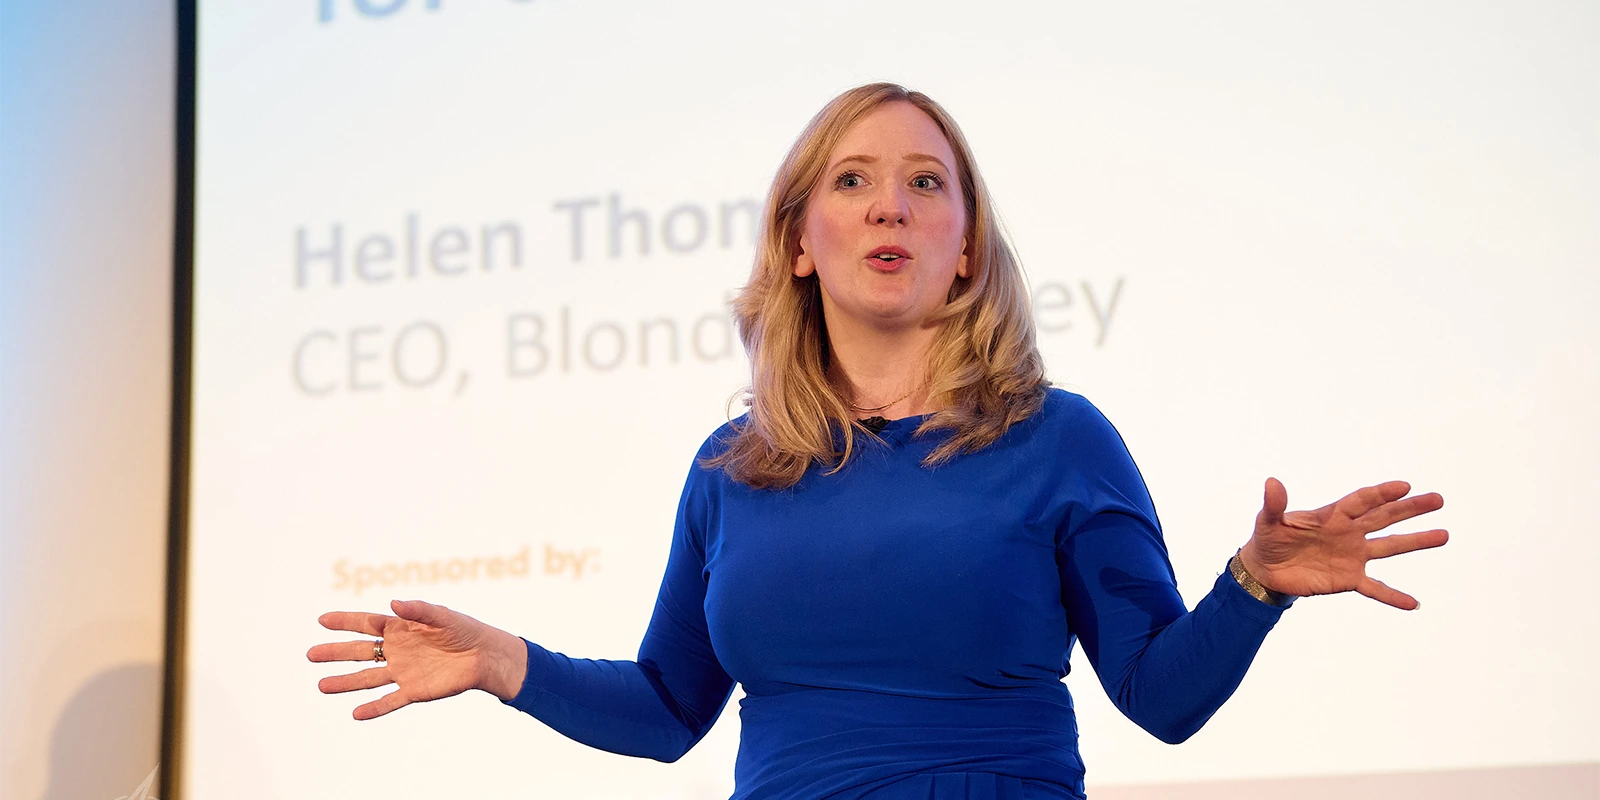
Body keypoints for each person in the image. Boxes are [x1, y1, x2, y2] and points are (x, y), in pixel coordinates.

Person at [308, 83, 1448, 799]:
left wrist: (1255, 584)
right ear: (801, 240)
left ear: (964, 246)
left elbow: (1159, 696)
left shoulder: (1059, 438)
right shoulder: (731, 469)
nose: (888, 204)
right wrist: (503, 661)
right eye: (851, 181)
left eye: (923, 183)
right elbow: (666, 711)